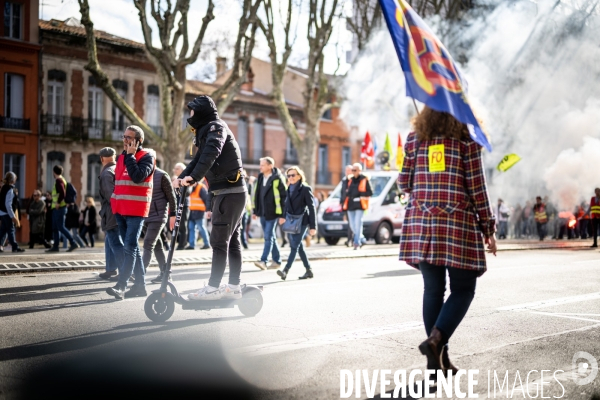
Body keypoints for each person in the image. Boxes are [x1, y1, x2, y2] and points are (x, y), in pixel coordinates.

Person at [397, 106, 497, 373]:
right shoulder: (467, 138)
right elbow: (477, 188)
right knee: (463, 290)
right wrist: (489, 228)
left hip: (422, 224)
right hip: (457, 225)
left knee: (433, 290)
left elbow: (404, 183)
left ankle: (438, 358)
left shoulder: (414, 138)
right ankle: (436, 342)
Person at [173, 95, 246, 300]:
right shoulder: (207, 131)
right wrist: (181, 178)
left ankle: (214, 289)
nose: (190, 115)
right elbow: (197, 159)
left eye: (193, 111)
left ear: (202, 111)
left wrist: (193, 178)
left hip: (230, 192)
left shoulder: (216, 128)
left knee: (219, 242)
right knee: (231, 242)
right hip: (226, 192)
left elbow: (211, 154)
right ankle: (234, 288)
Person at [106, 125, 156, 300]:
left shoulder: (147, 157)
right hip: (120, 209)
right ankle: (140, 287)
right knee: (132, 248)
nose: (125, 140)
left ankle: (121, 286)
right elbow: (119, 182)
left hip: (136, 210)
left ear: (138, 141)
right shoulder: (121, 157)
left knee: (129, 247)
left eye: (129, 137)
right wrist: (114, 206)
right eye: (124, 136)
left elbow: (137, 176)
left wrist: (130, 156)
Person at [276, 166, 317, 280]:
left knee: (294, 246)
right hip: (291, 221)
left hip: (302, 221)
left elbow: (311, 207)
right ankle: (308, 270)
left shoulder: (305, 188)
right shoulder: (289, 188)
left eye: (293, 175)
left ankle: (285, 270)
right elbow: (286, 204)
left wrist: (313, 226)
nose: (291, 177)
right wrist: (283, 217)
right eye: (288, 176)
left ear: (299, 176)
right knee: (298, 247)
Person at [252, 157, 287, 270]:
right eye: (260, 165)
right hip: (262, 212)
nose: (260, 167)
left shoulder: (278, 178)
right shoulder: (261, 176)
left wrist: (283, 215)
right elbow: (257, 194)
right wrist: (255, 211)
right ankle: (277, 261)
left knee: (268, 236)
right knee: (271, 236)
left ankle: (263, 261)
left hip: (273, 213)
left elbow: (284, 198)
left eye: (262, 165)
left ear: (270, 166)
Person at [144, 166, 177, 284]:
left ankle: (139, 274)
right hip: (146, 215)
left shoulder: (162, 175)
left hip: (158, 216)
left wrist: (173, 215)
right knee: (157, 245)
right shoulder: (142, 174)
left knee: (148, 243)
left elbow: (171, 197)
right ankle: (165, 274)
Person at [97, 147, 123, 280]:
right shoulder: (119, 169)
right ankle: (111, 269)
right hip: (120, 211)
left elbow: (110, 196)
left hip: (112, 213)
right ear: (115, 157)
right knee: (109, 241)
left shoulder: (107, 173)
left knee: (115, 242)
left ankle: (124, 272)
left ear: (101, 159)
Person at [46, 165, 78, 253]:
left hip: (59, 208)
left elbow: (62, 193)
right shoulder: (62, 179)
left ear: (53, 172)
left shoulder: (58, 180)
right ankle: (55, 246)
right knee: (55, 228)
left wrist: (58, 203)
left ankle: (73, 242)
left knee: (60, 227)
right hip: (58, 208)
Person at [343, 163, 373, 250]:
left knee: (358, 224)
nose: (353, 172)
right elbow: (346, 192)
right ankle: (362, 238)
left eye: (355, 170)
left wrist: (360, 195)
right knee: (352, 225)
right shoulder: (350, 180)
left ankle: (356, 243)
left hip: (360, 205)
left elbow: (370, 192)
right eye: (352, 170)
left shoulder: (364, 179)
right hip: (350, 205)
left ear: (360, 171)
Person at [0, 172, 25, 253]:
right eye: (15, 179)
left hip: (2, 212)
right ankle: (15, 247)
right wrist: (13, 216)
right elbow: (8, 204)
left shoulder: (3, 187)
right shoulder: (10, 190)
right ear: (12, 180)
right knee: (10, 230)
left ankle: (2, 244)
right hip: (7, 213)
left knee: (3, 230)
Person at [187, 178, 210, 250]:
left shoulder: (201, 187)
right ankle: (192, 245)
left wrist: (208, 210)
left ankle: (207, 243)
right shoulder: (190, 188)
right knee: (191, 228)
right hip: (191, 211)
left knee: (201, 228)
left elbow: (206, 199)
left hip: (199, 211)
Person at [173, 162, 191, 250]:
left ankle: (182, 244)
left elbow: (187, 192)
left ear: (182, 170)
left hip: (184, 205)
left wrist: (180, 185)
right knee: (176, 226)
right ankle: (180, 243)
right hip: (176, 205)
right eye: (175, 168)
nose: (174, 170)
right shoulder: (175, 179)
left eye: (177, 169)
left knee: (183, 226)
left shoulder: (186, 178)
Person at [339, 165, 353, 246]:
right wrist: (341, 202)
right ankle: (349, 239)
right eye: (346, 171)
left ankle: (351, 240)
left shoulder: (353, 180)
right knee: (349, 223)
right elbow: (342, 192)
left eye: (349, 170)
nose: (347, 172)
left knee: (352, 223)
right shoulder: (344, 180)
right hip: (346, 205)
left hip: (352, 204)